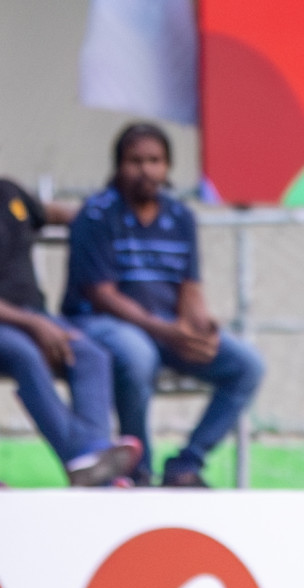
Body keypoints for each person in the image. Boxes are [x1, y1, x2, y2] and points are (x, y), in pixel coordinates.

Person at [62, 122, 264, 487]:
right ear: (118, 165)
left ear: (167, 166)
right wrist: (167, 331)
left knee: (246, 365)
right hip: (100, 324)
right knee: (138, 356)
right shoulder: (97, 214)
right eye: (135, 161)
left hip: (165, 328)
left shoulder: (180, 216)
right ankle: (139, 469)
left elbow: (189, 285)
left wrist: (199, 326)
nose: (146, 170)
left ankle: (186, 465)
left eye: (155, 161)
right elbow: (101, 294)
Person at [0, 176, 140, 486]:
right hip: (16, 323)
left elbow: (56, 214)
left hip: (31, 316)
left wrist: (104, 218)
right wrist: (35, 325)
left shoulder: (9, 192)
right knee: (26, 355)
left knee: (90, 354)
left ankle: (94, 459)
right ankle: (86, 459)